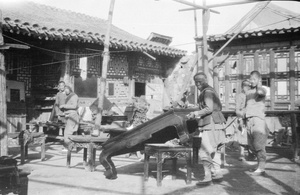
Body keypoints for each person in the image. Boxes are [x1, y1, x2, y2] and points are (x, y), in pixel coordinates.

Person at [186, 72, 226, 186]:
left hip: (210, 124)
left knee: (205, 150)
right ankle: (217, 173)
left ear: (203, 81)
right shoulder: (210, 90)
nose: (198, 84)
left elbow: (208, 108)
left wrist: (195, 113)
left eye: (199, 82)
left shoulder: (207, 92)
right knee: (214, 149)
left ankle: (207, 176)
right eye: (196, 82)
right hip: (217, 123)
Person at [245, 70, 268, 176]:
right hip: (249, 119)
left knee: (259, 144)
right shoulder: (248, 92)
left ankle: (261, 168)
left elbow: (259, 93)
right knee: (251, 145)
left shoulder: (262, 89)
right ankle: (259, 165)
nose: (252, 81)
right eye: (251, 79)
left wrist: (259, 84)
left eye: (254, 79)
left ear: (259, 79)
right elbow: (246, 105)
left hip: (258, 119)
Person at [59, 86, 79, 150]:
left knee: (68, 132)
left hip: (73, 115)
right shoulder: (68, 96)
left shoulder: (73, 96)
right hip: (69, 115)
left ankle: (68, 147)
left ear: (70, 89)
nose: (66, 91)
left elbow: (74, 106)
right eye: (65, 90)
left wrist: (64, 106)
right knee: (72, 131)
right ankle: (73, 147)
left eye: (67, 89)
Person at [235, 80, 251, 161]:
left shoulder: (251, 96)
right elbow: (237, 109)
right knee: (242, 135)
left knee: (249, 136)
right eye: (246, 87)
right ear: (243, 87)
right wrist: (240, 119)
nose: (247, 88)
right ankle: (241, 154)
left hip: (250, 119)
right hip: (242, 118)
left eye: (249, 87)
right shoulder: (240, 96)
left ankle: (250, 152)